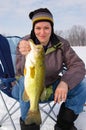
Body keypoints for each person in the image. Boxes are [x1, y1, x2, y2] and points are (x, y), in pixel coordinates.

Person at [11, 8, 86, 130]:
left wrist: (65, 82)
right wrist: (24, 55)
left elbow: (78, 66)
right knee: (25, 82)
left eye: (46, 28)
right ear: (33, 29)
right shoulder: (25, 43)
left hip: (51, 88)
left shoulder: (62, 44)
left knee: (83, 84)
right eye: (38, 28)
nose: (42, 32)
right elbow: (19, 72)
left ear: (52, 28)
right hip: (25, 90)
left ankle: (64, 124)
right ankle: (30, 125)